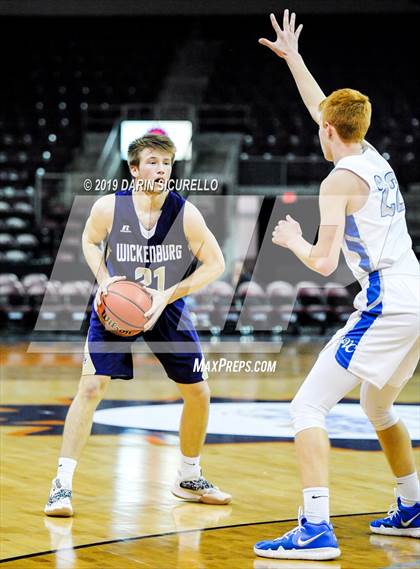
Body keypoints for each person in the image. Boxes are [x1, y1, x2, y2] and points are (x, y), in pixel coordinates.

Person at [254, 9, 420, 561]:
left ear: (330, 132)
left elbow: (324, 264)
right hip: (414, 294)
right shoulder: (374, 156)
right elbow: (321, 109)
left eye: (321, 125)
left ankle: (315, 528)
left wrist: (292, 241)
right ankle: (413, 505)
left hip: (386, 302)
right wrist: (295, 61)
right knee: (378, 407)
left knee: (307, 408)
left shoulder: (335, 182)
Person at [45, 133, 231, 517]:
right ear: (134, 168)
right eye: (152, 162)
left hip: (166, 305)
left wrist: (170, 294)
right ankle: (61, 485)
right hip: (117, 305)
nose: (161, 170)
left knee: (199, 393)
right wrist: (104, 280)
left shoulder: (186, 214)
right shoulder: (108, 208)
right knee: (92, 387)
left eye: (166, 164)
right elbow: (89, 241)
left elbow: (216, 265)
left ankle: (188, 476)